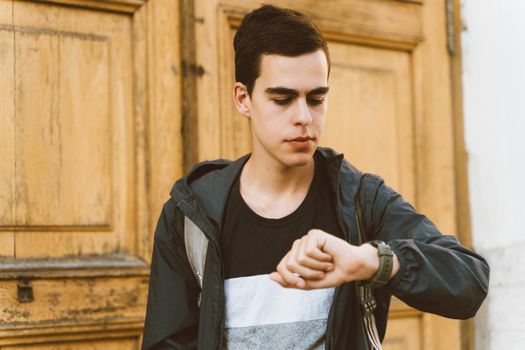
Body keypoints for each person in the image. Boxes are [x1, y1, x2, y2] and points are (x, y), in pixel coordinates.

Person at [141, 4, 489, 350]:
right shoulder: (190, 217)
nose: (304, 117)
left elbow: (470, 281)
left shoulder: (360, 200)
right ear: (243, 98)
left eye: (317, 98)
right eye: (283, 99)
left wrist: (370, 260)